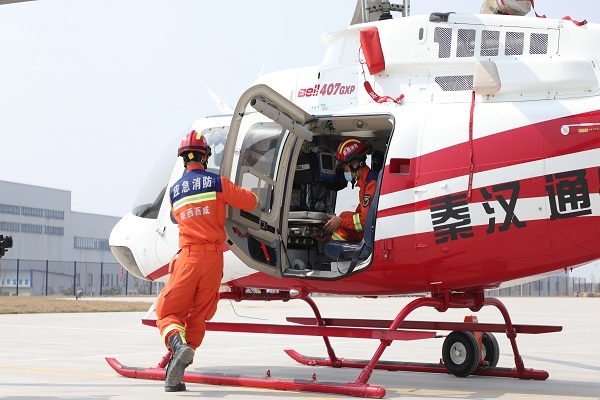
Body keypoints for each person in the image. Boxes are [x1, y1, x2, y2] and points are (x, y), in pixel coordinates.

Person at [155, 129, 258, 392]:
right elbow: (250, 202)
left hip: (189, 257)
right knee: (197, 316)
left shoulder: (175, 192)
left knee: (167, 313)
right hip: (214, 260)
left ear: (183, 159)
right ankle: (178, 369)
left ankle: (177, 346)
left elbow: (177, 218)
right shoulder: (217, 183)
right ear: (205, 157)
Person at [322, 137, 377, 242]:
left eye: (346, 169)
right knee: (344, 215)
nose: (345, 173)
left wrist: (340, 222)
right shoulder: (365, 182)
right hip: (368, 231)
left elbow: (365, 222)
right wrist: (339, 222)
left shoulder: (371, 183)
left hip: (371, 234)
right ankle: (331, 240)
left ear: (355, 165)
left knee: (343, 221)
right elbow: (359, 213)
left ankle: (331, 246)